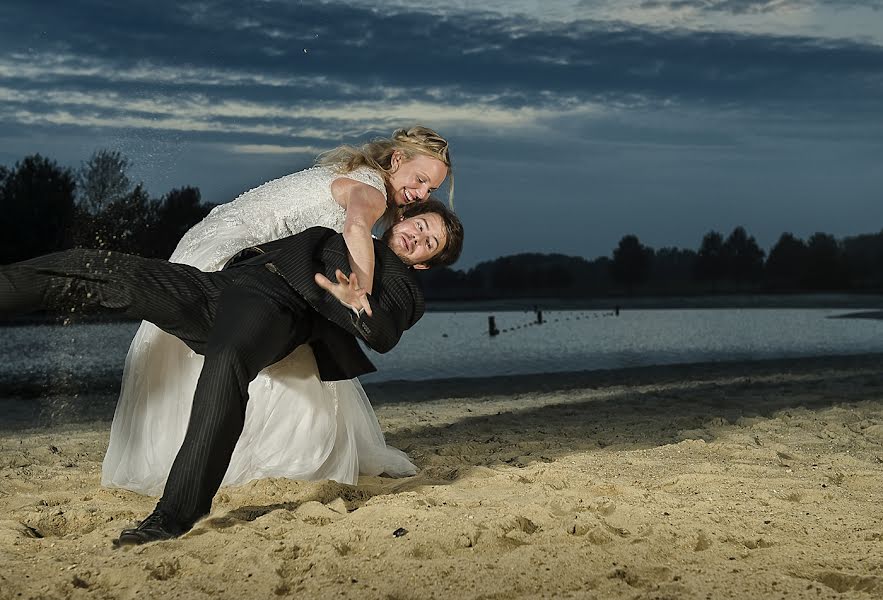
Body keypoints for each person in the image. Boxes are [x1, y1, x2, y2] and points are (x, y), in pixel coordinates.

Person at [0, 200, 464, 543]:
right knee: (103, 271)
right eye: (419, 225)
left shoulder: (401, 286)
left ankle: (174, 515)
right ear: (402, 219)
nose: (417, 237)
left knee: (225, 365)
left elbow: (383, 331)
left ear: (423, 261)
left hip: (273, 308)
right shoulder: (344, 233)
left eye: (428, 243)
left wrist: (358, 307)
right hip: (219, 286)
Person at [103, 126, 452, 496]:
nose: (421, 194)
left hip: (227, 241)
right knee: (276, 344)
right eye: (420, 180)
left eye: (431, 190)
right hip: (236, 250)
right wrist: (360, 290)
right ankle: (251, 455)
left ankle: (221, 450)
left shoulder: (363, 177)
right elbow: (355, 227)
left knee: (292, 339)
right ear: (397, 160)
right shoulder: (371, 188)